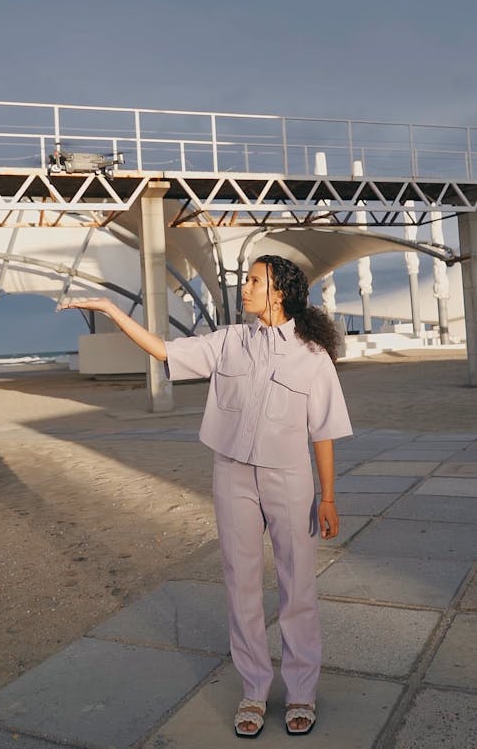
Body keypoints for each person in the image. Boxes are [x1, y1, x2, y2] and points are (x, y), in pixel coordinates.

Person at [60, 254, 352, 738]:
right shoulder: (229, 342)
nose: (246, 288)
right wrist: (112, 312)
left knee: (297, 585)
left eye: (255, 281)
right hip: (232, 475)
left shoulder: (312, 355)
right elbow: (163, 351)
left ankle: (301, 690)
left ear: (279, 292)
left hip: (289, 478)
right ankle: (255, 690)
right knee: (240, 584)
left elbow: (323, 432)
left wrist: (328, 498)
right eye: (247, 280)